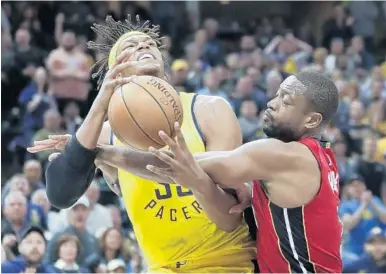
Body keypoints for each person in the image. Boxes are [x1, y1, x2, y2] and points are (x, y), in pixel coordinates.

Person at [28, 15, 256, 272]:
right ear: (115, 69)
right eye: (130, 47)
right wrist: (100, 104)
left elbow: (229, 215)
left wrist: (102, 154)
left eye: (149, 44)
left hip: (225, 261)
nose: (143, 47)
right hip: (160, 267)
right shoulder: (105, 133)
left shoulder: (209, 109)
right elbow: (60, 195)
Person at [144, 71, 343, 272]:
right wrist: (256, 195)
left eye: (286, 101)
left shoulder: (286, 155)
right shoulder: (323, 156)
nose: (272, 103)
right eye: (276, 94)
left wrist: (113, 154)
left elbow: (179, 165)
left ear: (311, 120)